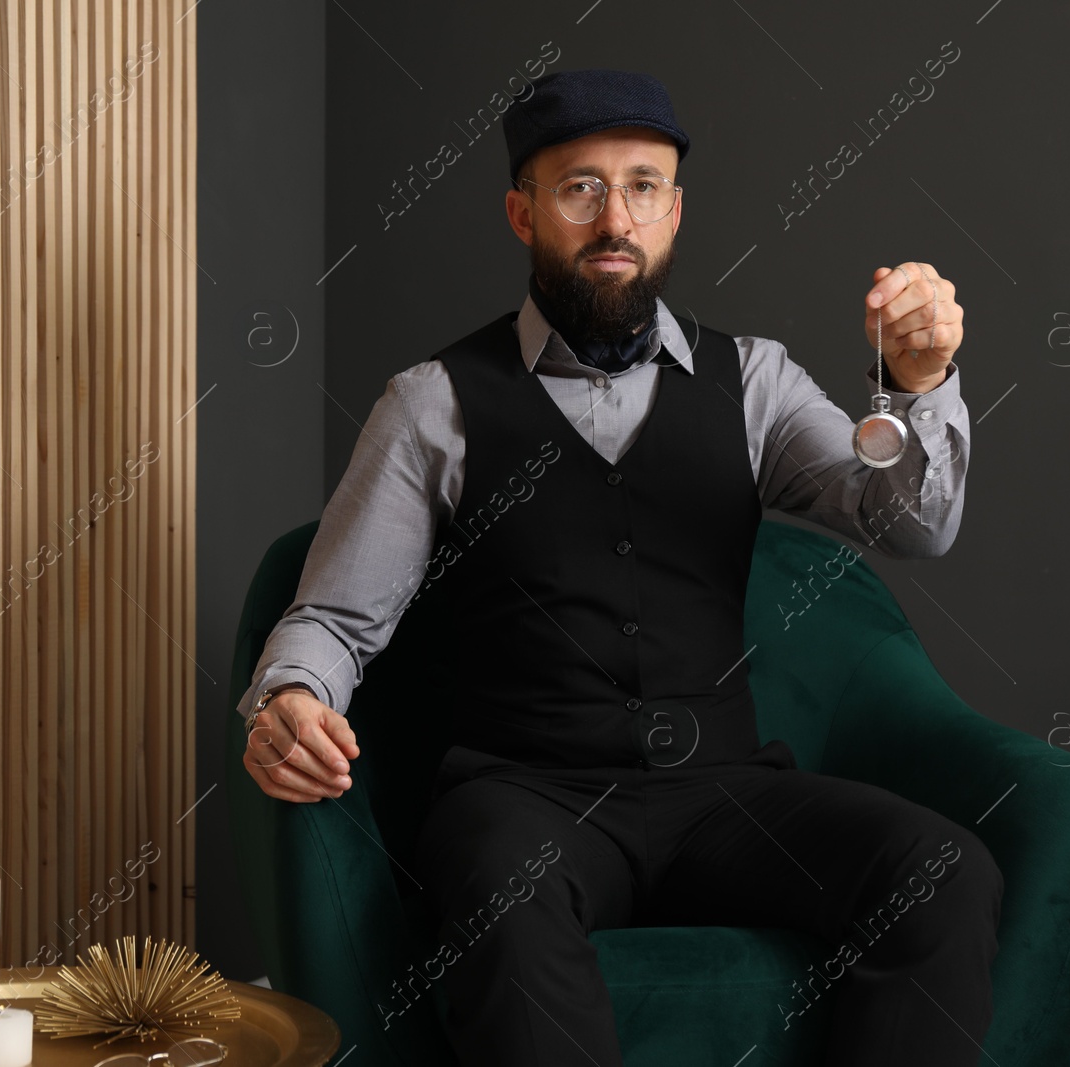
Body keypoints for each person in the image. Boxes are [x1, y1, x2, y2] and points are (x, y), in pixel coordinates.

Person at [238, 69, 998, 1067]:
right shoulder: (435, 402)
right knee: (500, 900)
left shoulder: (754, 381)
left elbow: (909, 524)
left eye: (643, 185)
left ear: (674, 210)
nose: (615, 216)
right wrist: (285, 697)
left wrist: (916, 383)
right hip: (523, 795)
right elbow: (334, 619)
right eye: (578, 187)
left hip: (722, 793)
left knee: (944, 870)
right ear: (521, 212)